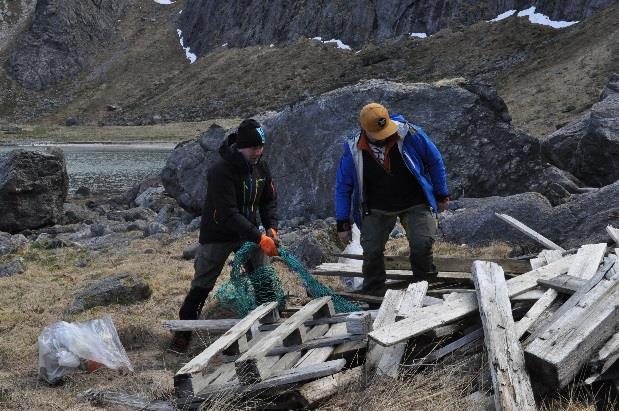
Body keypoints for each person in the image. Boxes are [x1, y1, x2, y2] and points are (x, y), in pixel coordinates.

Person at [169, 119, 279, 352]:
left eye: (261, 147)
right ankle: (182, 334)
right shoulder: (220, 171)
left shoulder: (262, 167)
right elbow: (228, 214)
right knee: (202, 285)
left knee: (263, 277)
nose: (258, 152)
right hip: (218, 233)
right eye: (254, 148)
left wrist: (271, 228)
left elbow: (268, 201)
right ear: (241, 146)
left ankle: (270, 322)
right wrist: (259, 238)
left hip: (248, 231)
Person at [335, 103, 449, 296]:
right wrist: (342, 223)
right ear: (365, 130)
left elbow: (435, 160)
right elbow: (343, 187)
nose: (384, 136)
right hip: (377, 206)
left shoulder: (410, 134)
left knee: (422, 244)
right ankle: (374, 293)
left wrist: (441, 194)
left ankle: (425, 287)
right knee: (371, 251)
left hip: (415, 200)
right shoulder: (353, 150)